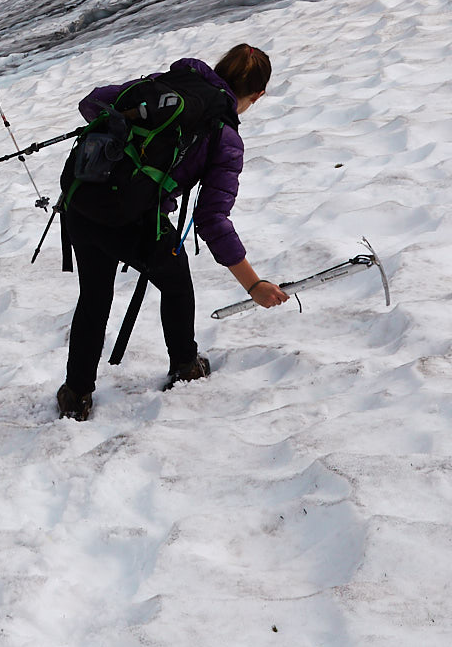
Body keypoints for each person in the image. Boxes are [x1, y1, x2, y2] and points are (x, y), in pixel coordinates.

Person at [55, 43, 286, 420]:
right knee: (176, 284)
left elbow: (92, 103)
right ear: (257, 95)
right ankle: (185, 365)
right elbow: (212, 220)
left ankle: (76, 395)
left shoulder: (173, 83)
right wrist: (253, 284)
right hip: (131, 218)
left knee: (94, 297)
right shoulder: (224, 136)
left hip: (83, 198)